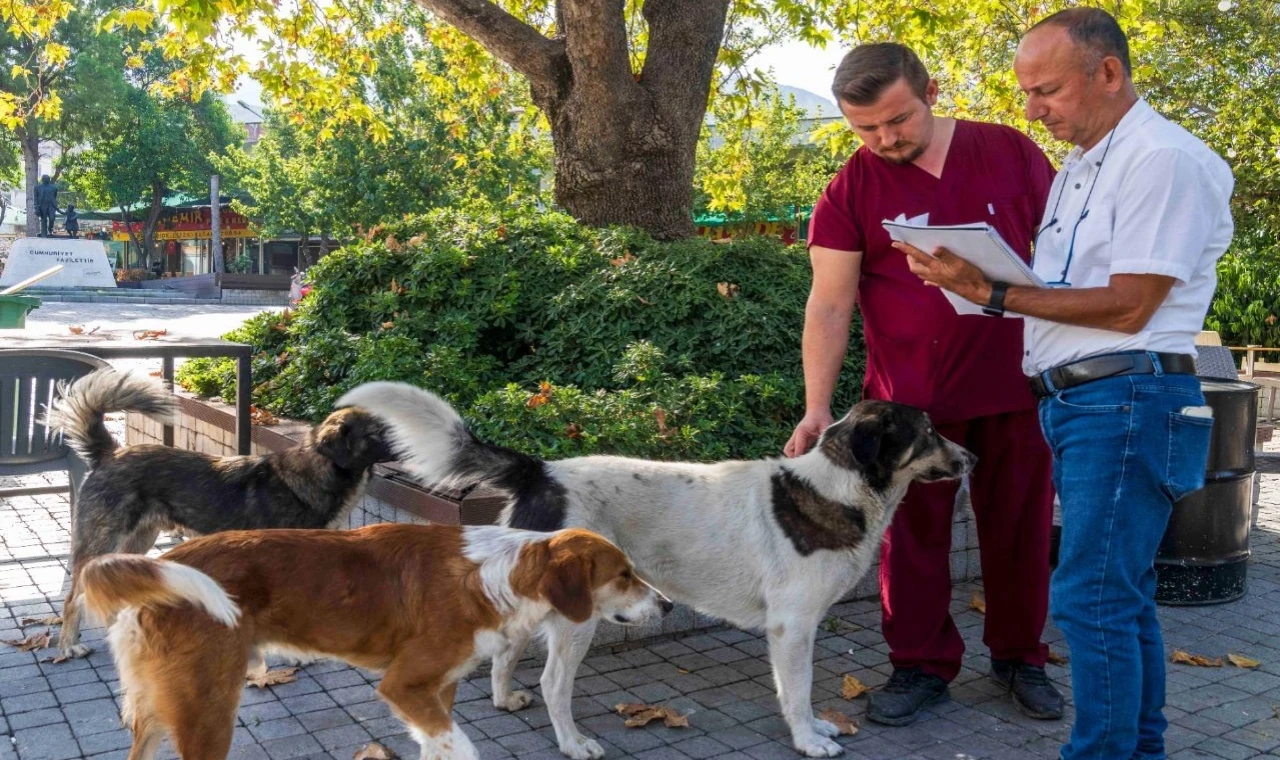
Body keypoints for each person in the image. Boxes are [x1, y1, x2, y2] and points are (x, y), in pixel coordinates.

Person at [896, 9, 1233, 759]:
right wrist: (982, 279)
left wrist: (991, 292)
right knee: (1118, 598)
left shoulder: (1161, 159)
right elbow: (1069, 290)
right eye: (1026, 93)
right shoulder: (1084, 167)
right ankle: (1138, 750)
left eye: (1046, 90)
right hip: (1089, 402)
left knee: (1090, 599)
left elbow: (1130, 304)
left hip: (1127, 399)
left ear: (1108, 73)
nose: (1032, 110)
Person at [784, 42, 1063, 726]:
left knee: (1021, 529)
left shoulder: (1010, 151)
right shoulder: (850, 187)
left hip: (1018, 386)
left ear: (930, 91)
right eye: (865, 128)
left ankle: (1020, 657)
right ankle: (919, 665)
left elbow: (1068, 255)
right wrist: (818, 407)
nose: (884, 139)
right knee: (910, 539)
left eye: (897, 120)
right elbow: (829, 304)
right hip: (908, 410)